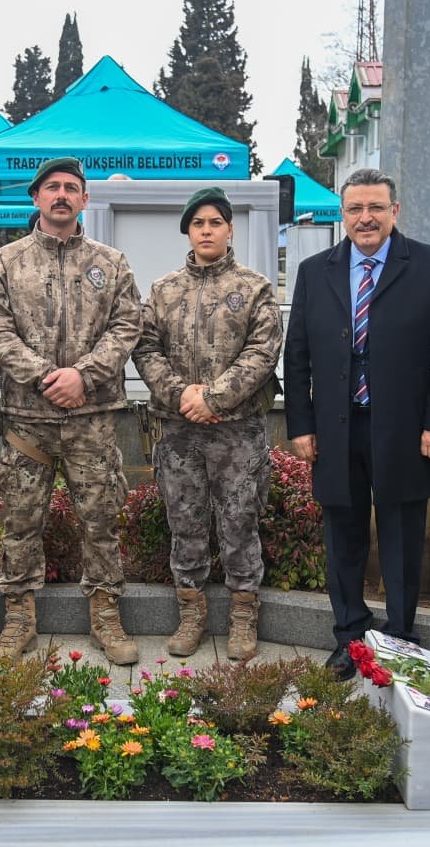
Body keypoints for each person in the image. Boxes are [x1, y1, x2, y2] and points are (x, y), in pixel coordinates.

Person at [284, 168, 430, 680]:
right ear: (343, 215)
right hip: (335, 430)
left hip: (406, 430)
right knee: (343, 537)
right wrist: (301, 424)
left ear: (394, 211)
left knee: (403, 536)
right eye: (356, 208)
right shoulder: (315, 270)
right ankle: (350, 636)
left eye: (376, 207)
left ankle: (401, 636)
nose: (366, 217)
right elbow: (297, 353)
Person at [0, 157, 142, 664]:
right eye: (52, 187)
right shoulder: (7, 261)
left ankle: (106, 614)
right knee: (21, 521)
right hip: (28, 420)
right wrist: (46, 376)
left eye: (72, 187)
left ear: (85, 200)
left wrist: (82, 376)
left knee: (101, 518)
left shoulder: (111, 263)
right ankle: (19, 618)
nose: (62, 195)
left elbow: (127, 326)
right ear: (36, 197)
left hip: (91, 417)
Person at [133, 187, 282, 662]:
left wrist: (213, 398)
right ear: (188, 232)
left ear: (230, 229)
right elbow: (145, 348)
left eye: (215, 222)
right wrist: (182, 395)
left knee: (240, 520)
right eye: (198, 223)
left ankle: (243, 614)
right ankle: (191, 612)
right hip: (179, 430)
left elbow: (263, 352)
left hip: (237, 430)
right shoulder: (164, 290)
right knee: (185, 520)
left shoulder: (255, 287)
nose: (206, 230)